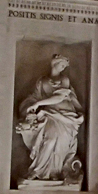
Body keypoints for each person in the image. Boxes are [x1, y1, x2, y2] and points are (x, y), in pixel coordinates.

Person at [16, 54, 84, 185]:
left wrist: (38, 104)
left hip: (65, 117)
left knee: (61, 144)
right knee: (49, 140)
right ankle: (38, 171)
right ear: (54, 63)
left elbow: (59, 97)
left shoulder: (64, 80)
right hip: (48, 115)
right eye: (62, 65)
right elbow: (34, 97)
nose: (63, 68)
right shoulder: (42, 81)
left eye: (64, 66)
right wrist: (30, 109)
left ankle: (55, 172)